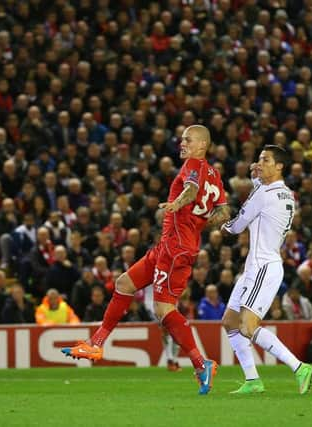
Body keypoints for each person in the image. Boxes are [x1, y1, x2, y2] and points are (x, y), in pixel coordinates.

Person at [63, 125, 230, 395]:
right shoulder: (215, 174)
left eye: (188, 139)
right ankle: (96, 342)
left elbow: (190, 188)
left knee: (164, 311)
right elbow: (223, 210)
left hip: (175, 249)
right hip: (170, 246)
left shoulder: (193, 165)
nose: (182, 143)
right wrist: (200, 222)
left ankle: (202, 363)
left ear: (202, 145)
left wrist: (178, 205)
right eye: (182, 139)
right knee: (124, 283)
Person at [220, 145, 312, 395]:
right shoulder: (285, 193)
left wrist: (223, 227)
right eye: (259, 159)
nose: (259, 163)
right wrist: (256, 177)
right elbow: (260, 197)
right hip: (256, 265)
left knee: (247, 326)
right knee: (230, 321)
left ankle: (299, 367)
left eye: (265, 160)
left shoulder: (264, 194)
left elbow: (238, 225)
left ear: (280, 166)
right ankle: (252, 380)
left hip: (263, 267)